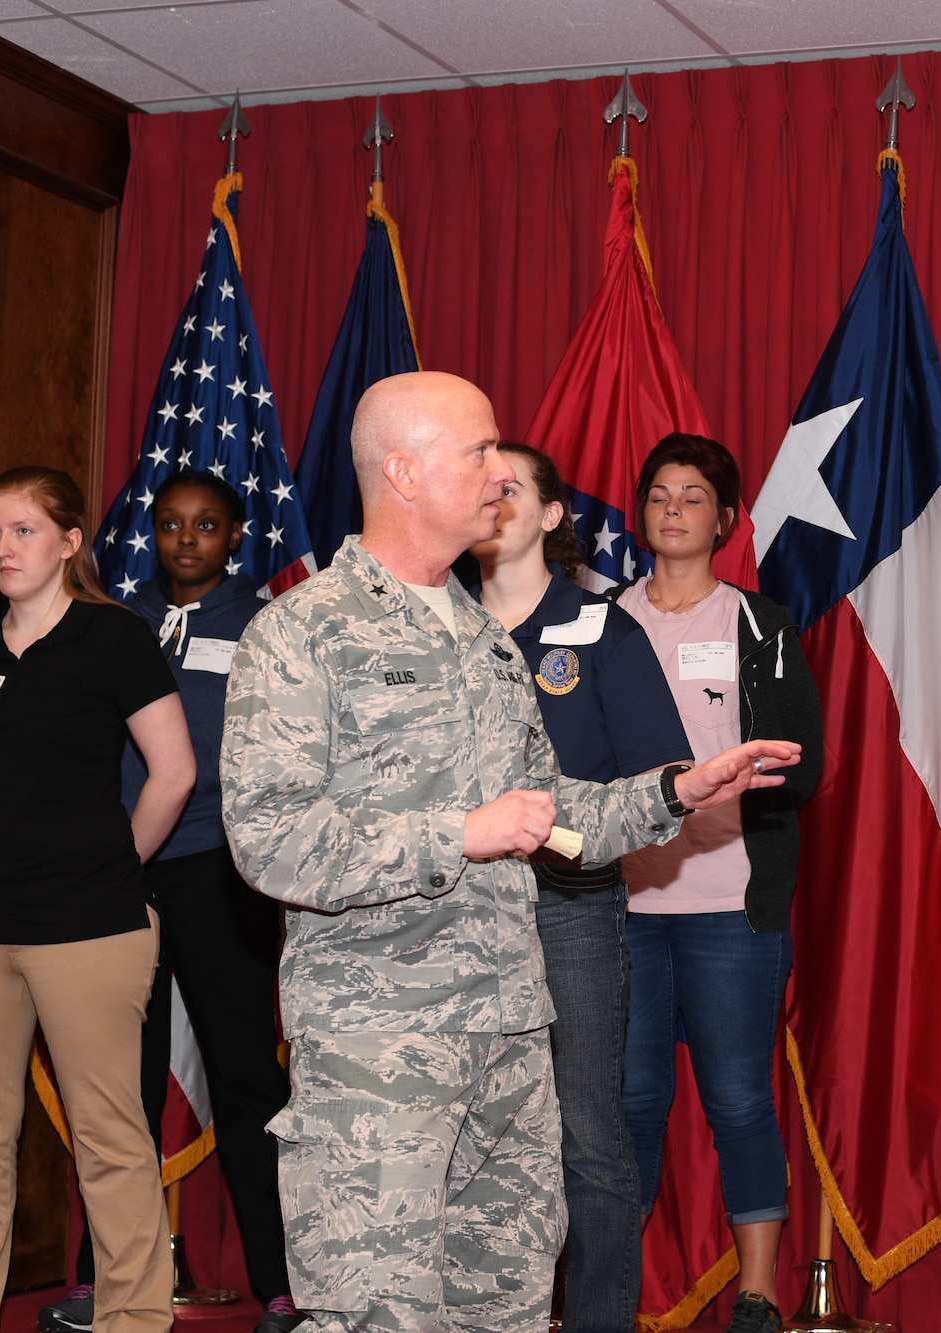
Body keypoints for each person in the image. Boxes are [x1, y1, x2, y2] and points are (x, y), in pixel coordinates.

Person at [219, 372, 800, 1333]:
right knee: (378, 1317)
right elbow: (270, 839)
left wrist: (674, 791)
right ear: (402, 472)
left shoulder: (486, 641)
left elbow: (555, 813)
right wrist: (457, 832)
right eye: (479, 450)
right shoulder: (303, 632)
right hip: (382, 1055)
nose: (502, 470)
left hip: (511, 1037)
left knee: (510, 1309)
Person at [0, 466, 195, 1333]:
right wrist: (6, 839)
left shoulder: (114, 639)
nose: (4, 548)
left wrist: (107, 861)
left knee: (111, 1136)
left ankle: (134, 1319)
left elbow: (174, 771)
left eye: (25, 530)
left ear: (71, 541)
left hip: (88, 921)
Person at [40, 471, 304, 1333]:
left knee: (244, 1080)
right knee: (123, 1084)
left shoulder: (267, 625)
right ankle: (105, 1280)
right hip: (121, 872)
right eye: (169, 525)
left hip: (218, 872)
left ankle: (280, 1285)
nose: (185, 539)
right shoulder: (114, 621)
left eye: (206, 525)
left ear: (235, 536)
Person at [468, 443, 693, 1333]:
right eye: (479, 487)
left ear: (555, 514)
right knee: (466, 1134)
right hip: (453, 908)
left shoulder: (600, 627)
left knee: (589, 1137)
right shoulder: (438, 625)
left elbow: (659, 781)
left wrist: (563, 831)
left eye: (511, 488)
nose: (492, 500)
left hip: (568, 909)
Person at [614, 433, 823, 1333]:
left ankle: (758, 1296)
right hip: (617, 909)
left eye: (692, 496)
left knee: (739, 1099)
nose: (672, 509)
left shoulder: (758, 624)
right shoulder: (603, 621)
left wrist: (741, 775)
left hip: (729, 908)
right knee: (625, 1104)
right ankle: (606, 1292)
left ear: (726, 519)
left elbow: (803, 767)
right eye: (659, 494)